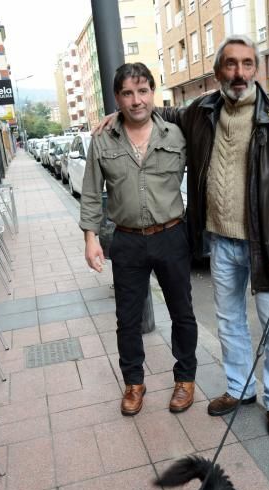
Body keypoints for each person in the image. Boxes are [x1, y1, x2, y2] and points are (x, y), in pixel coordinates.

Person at [97, 37, 269, 439]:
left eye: (248, 64)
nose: (239, 73)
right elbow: (157, 110)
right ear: (217, 73)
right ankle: (240, 389)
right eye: (230, 64)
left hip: (266, 246)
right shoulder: (202, 111)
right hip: (220, 240)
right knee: (230, 322)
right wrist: (118, 115)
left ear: (257, 69)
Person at [80, 62, 197, 417]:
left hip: (171, 235)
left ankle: (185, 380)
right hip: (127, 241)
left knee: (183, 313)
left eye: (142, 91)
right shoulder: (103, 139)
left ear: (153, 93)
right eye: (127, 93)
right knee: (127, 319)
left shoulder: (177, 134)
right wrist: (90, 238)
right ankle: (134, 383)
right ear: (117, 98)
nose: (136, 100)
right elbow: (89, 192)